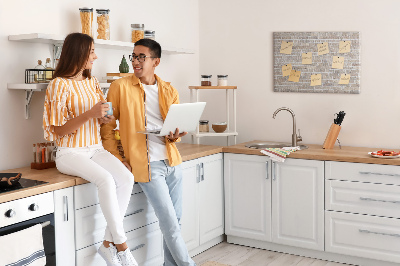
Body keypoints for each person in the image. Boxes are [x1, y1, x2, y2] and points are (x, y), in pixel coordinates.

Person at [43, 32, 138, 266]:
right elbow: (59, 131)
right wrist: (89, 114)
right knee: (106, 179)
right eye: (91, 51)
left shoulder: (92, 82)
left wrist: (105, 117)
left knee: (126, 178)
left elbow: (102, 116)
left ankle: (107, 245)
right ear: (79, 53)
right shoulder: (58, 85)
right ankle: (123, 247)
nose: (95, 56)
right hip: (70, 152)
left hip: (95, 149)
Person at [101, 38, 196, 266]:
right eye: (134, 56)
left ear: (156, 62)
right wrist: (117, 157)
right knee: (170, 224)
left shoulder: (168, 89)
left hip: (172, 161)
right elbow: (106, 126)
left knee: (175, 222)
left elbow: (174, 127)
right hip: (147, 165)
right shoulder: (119, 87)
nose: (136, 61)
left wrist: (175, 134)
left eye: (142, 57)